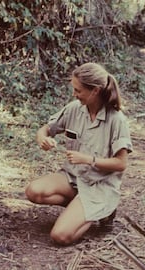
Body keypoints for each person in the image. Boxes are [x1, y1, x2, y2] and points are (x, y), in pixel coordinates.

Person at [25, 62, 133, 245]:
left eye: (78, 90)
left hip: (99, 185)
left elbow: (121, 163)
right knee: (34, 191)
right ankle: (81, 210)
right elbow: (45, 129)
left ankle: (103, 210)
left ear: (95, 91)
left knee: (60, 236)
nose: (74, 94)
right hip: (73, 177)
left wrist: (89, 160)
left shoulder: (116, 119)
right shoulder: (74, 108)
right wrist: (42, 139)